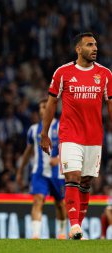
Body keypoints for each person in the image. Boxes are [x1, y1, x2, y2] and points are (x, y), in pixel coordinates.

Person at [40, 32, 112, 240]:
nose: (95, 48)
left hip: (94, 137)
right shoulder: (63, 72)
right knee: (72, 177)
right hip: (70, 135)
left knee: (86, 182)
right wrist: (44, 134)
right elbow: (52, 103)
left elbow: (110, 104)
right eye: (90, 45)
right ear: (78, 49)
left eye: (96, 45)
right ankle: (74, 226)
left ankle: (78, 226)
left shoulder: (106, 74)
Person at [16, 98, 67, 239]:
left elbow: (70, 147)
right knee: (37, 199)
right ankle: (36, 235)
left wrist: (59, 159)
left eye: (44, 107)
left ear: (52, 108)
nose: (41, 110)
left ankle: (62, 233)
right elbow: (28, 152)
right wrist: (20, 170)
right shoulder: (33, 130)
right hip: (39, 172)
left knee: (60, 204)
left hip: (58, 174)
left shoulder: (61, 126)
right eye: (40, 107)